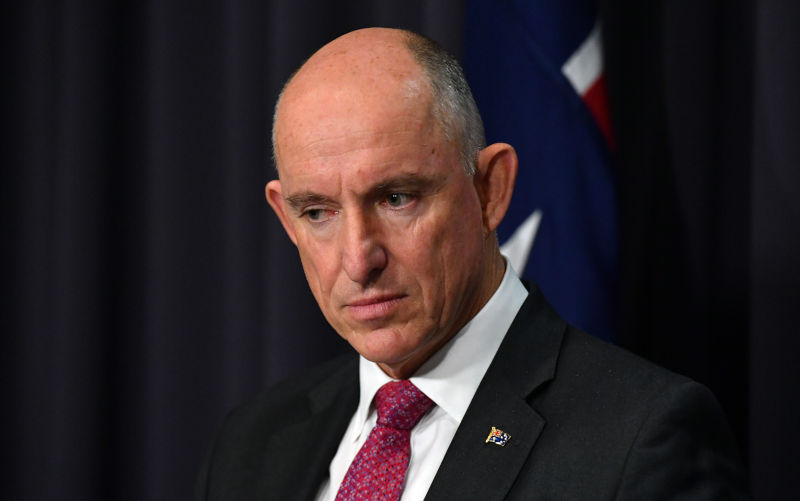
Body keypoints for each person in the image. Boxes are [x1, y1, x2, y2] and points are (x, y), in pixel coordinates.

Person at [196, 28, 748, 500]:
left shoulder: (642, 439)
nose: (358, 259)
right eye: (318, 212)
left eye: (396, 198)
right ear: (285, 219)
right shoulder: (253, 443)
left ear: (490, 190)